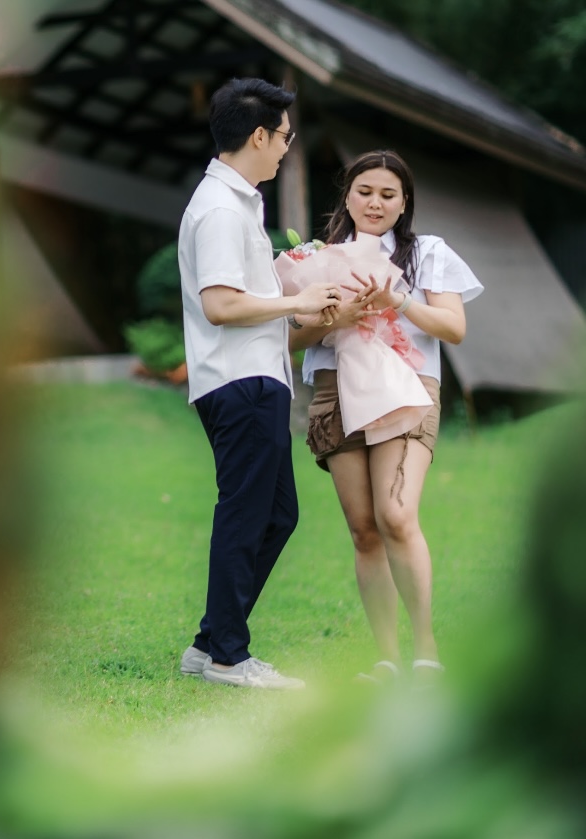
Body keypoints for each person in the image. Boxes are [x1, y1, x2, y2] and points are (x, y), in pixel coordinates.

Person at [176, 78, 352, 690]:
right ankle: (228, 654)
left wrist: (301, 309)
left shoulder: (240, 203)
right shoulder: (222, 208)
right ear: (258, 134)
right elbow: (221, 304)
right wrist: (293, 302)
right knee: (249, 515)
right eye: (284, 136)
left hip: (257, 378)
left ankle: (210, 643)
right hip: (239, 382)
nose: (286, 147)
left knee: (275, 515)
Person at [290, 149, 483, 685]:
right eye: (365, 191)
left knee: (396, 515)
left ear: (404, 205)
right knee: (364, 531)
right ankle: (386, 659)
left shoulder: (428, 253)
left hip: (407, 385)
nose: (375, 202)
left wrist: (397, 300)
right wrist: (336, 315)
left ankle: (426, 650)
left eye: (388, 194)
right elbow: (292, 339)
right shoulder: (316, 259)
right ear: (348, 197)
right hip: (336, 389)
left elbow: (453, 327)